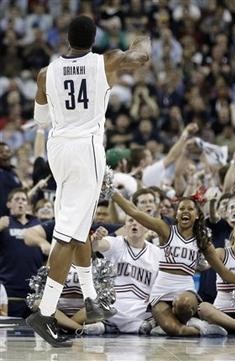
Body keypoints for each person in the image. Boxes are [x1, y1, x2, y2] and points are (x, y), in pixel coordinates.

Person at [26, 15, 152, 347]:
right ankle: (46, 311)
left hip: (59, 149)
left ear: (67, 39)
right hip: (86, 149)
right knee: (67, 235)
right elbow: (142, 58)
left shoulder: (45, 73)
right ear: (94, 39)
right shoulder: (104, 62)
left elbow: (41, 119)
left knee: (78, 223)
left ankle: (91, 298)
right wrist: (143, 34)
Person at [111, 191, 235, 336]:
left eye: (190, 209)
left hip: (185, 291)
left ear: (196, 215)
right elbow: (134, 212)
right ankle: (198, 328)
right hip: (161, 293)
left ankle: (185, 321)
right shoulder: (166, 231)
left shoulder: (202, 241)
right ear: (177, 215)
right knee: (175, 330)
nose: (185, 211)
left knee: (183, 303)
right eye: (181, 208)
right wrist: (113, 193)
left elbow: (223, 271)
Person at [91, 215, 161, 334]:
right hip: (115, 303)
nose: (134, 224)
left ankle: (108, 327)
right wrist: (97, 238)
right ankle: (139, 327)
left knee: (159, 310)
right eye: (130, 221)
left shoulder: (157, 253)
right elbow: (97, 246)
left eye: (139, 221)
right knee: (98, 306)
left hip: (141, 307)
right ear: (125, 227)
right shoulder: (116, 243)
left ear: (147, 227)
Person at [0, 189, 43, 317]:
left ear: (28, 205)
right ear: (8, 204)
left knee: (35, 333)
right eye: (16, 199)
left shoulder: (38, 224)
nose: (20, 202)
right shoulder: (4, 223)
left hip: (35, 292)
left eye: (23, 199)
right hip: (9, 290)